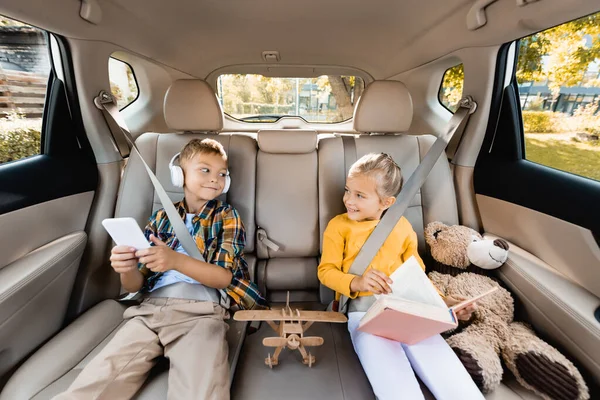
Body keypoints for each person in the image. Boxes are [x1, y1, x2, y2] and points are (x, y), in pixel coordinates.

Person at [54, 138, 267, 400]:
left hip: (201, 313)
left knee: (201, 389)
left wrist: (175, 261)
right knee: (97, 381)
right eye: (205, 170)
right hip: (148, 312)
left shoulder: (227, 216)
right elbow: (134, 286)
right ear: (179, 175)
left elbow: (223, 277)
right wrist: (126, 268)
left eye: (222, 174)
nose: (215, 179)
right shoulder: (160, 218)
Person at [318, 152, 484, 400]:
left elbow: (416, 275)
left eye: (360, 195)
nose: (348, 200)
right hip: (364, 313)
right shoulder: (339, 226)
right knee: (394, 383)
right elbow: (326, 271)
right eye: (347, 190)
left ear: (386, 202)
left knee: (450, 375)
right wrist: (357, 282)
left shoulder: (403, 228)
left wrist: (445, 303)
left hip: (410, 309)